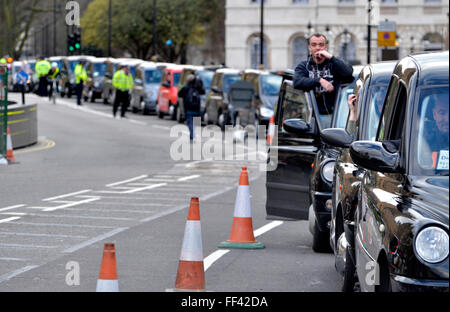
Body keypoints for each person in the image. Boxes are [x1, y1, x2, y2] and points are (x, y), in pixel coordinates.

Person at [294, 33, 354, 118]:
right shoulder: (304, 66)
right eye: (314, 45)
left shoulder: (334, 64)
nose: (317, 48)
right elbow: (297, 82)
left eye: (321, 45)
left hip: (334, 116)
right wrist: (319, 81)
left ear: (326, 47)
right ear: (309, 48)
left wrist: (330, 57)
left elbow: (348, 72)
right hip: (312, 117)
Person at [178, 74, 205, 141]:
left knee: (190, 123)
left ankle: (192, 136)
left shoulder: (186, 88)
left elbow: (179, 94)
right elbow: (203, 92)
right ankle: (194, 135)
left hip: (188, 108)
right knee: (196, 123)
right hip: (196, 108)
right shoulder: (197, 87)